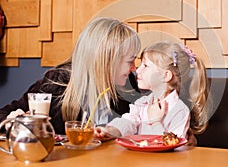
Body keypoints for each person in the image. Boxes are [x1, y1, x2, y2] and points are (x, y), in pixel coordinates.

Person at [0, 17, 141, 134]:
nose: (134, 68)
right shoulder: (56, 83)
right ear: (106, 60)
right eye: (130, 61)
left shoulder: (128, 85)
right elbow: (4, 114)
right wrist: (9, 121)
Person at [95, 41, 209, 140]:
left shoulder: (179, 111)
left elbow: (173, 145)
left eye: (145, 66)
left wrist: (155, 122)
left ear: (165, 76)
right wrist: (109, 131)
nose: (137, 70)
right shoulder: (143, 103)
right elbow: (128, 122)